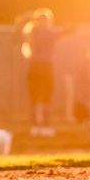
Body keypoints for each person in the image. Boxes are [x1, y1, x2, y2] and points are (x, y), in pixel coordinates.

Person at [22, 8, 69, 137]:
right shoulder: (49, 32)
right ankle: (46, 124)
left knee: (34, 96)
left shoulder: (31, 31)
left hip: (34, 67)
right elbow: (64, 32)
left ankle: (34, 125)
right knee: (46, 96)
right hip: (46, 67)